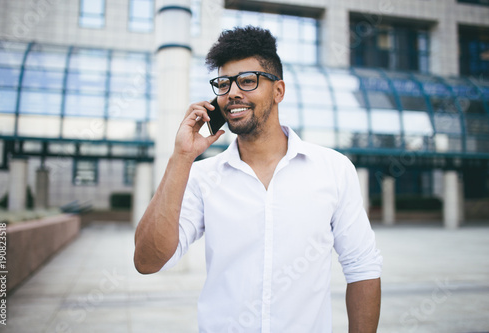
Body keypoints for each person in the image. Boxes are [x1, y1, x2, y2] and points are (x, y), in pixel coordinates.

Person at [134, 26, 382, 332]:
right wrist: (181, 158)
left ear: (278, 91)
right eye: (223, 84)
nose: (233, 93)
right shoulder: (202, 177)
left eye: (248, 81)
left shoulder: (333, 169)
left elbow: (362, 268)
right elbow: (147, 261)